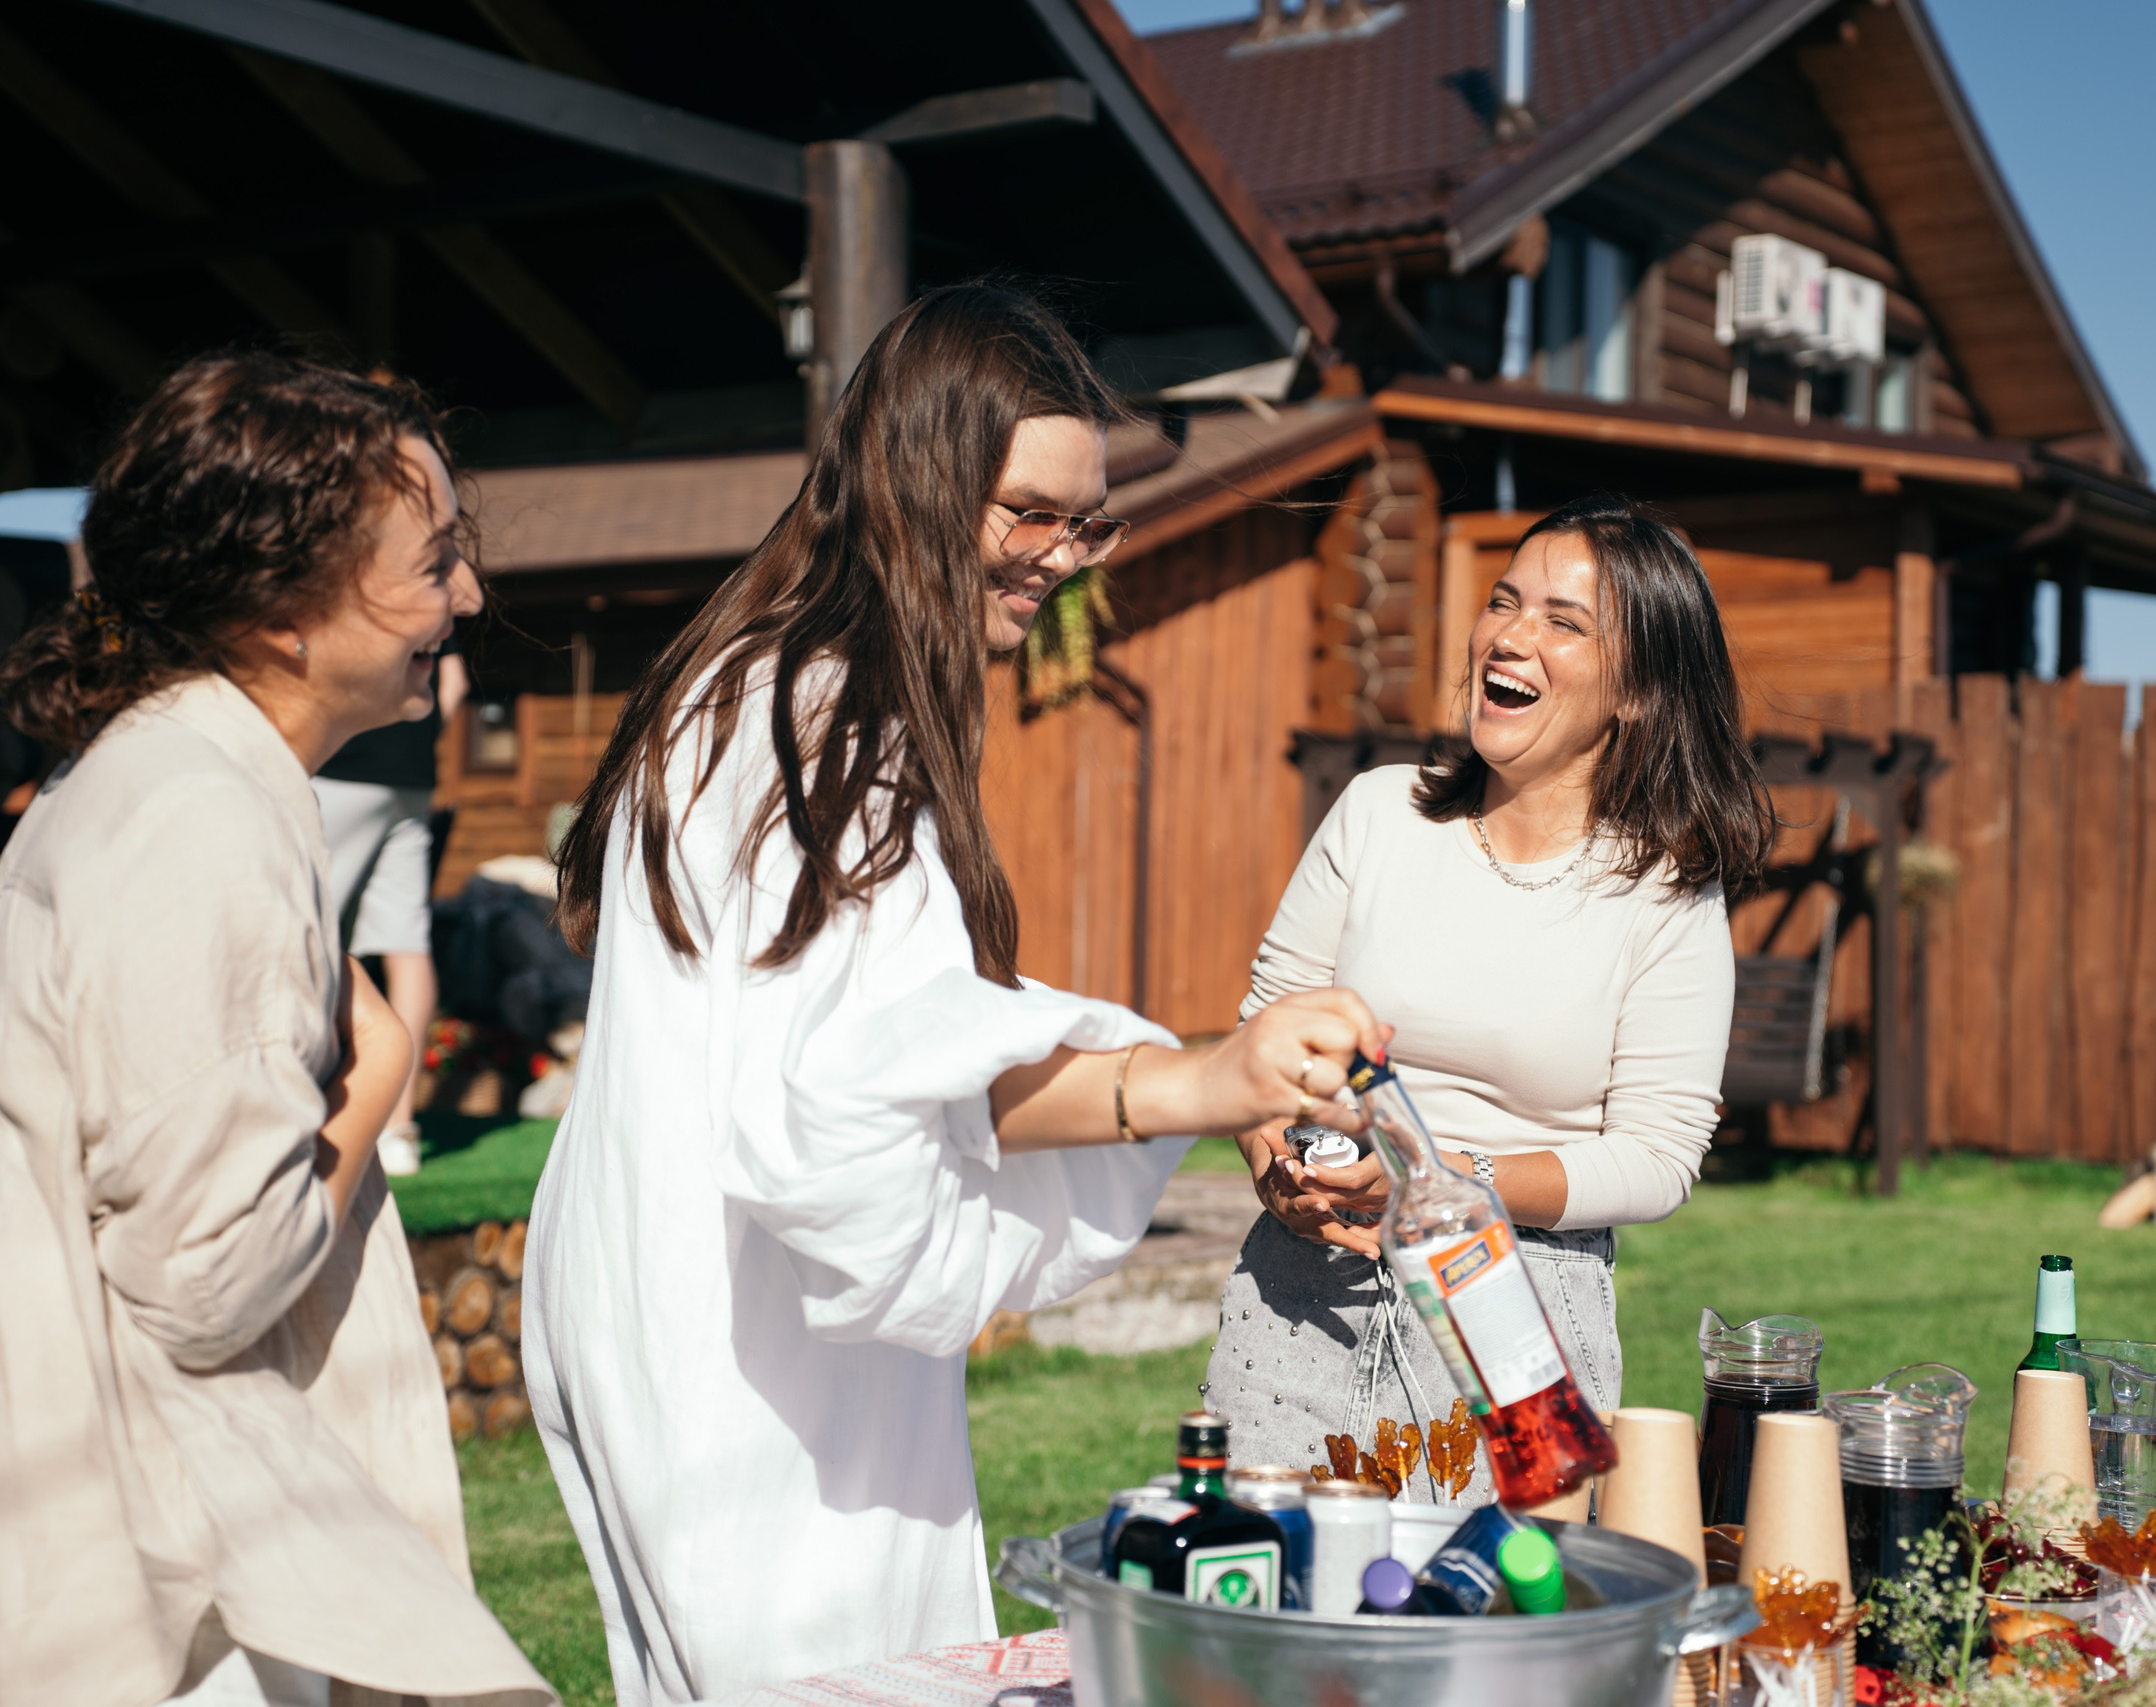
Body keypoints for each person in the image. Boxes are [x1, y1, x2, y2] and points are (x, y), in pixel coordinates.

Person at [527, 282, 1385, 1701]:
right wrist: (1206, 1074)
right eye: (1030, 512)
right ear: (919, 483)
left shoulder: (752, 678)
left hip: (666, 1286)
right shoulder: (831, 720)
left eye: (1085, 519)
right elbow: (883, 1068)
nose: (1062, 554)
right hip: (753, 1353)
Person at [0, 353, 553, 1707]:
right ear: (287, 614)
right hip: (166, 1561)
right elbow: (202, 1281)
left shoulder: (140, 775)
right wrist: (375, 1080)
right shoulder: (202, 815)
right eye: (435, 563)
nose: (470, 597)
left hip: (81, 1487)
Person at [1202, 495, 1774, 1507]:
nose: (1510, 635)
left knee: (1490, 1631)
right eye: (1506, 601)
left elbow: (1656, 1159)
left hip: (1517, 1314)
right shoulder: (1379, 813)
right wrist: (1267, 1165)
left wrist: (1435, 1182)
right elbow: (1269, 1022)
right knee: (1261, 1616)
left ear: (1636, 691)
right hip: (1303, 1295)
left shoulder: (1665, 891)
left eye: (1563, 621)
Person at [312, 640, 470, 1174]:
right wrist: (418, 738)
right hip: (412, 774)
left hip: (341, 766)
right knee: (407, 942)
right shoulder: (433, 583)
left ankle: (305, 1107)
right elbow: (455, 685)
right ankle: (398, 1131)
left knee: (305, 930)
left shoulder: (376, 573)